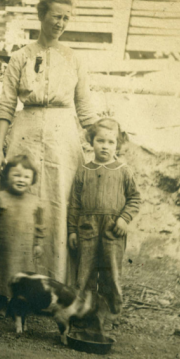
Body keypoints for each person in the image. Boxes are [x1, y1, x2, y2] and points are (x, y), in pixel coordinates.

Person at [0, 0, 100, 284]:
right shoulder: (20, 57)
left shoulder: (74, 59)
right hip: (24, 136)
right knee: (20, 204)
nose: (61, 23)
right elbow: (5, 106)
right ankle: (9, 285)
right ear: (42, 16)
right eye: (56, 16)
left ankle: (56, 284)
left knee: (59, 204)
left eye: (66, 18)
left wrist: (101, 138)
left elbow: (86, 108)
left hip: (62, 139)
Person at [68, 118, 141, 317]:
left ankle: (111, 315)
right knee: (84, 274)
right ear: (91, 141)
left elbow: (135, 198)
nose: (105, 146)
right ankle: (84, 314)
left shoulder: (124, 171)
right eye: (100, 141)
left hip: (112, 230)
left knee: (111, 273)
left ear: (118, 144)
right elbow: (74, 204)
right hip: (87, 229)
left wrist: (124, 219)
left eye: (111, 142)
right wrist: (72, 231)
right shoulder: (84, 171)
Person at [0, 154, 45, 319]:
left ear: (32, 180)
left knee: (22, 278)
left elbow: (39, 225)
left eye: (26, 176)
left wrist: (38, 243)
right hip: (4, 247)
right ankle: (0, 303)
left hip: (25, 249)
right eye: (16, 175)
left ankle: (16, 306)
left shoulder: (35, 201)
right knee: (1, 275)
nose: (21, 180)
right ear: (7, 175)